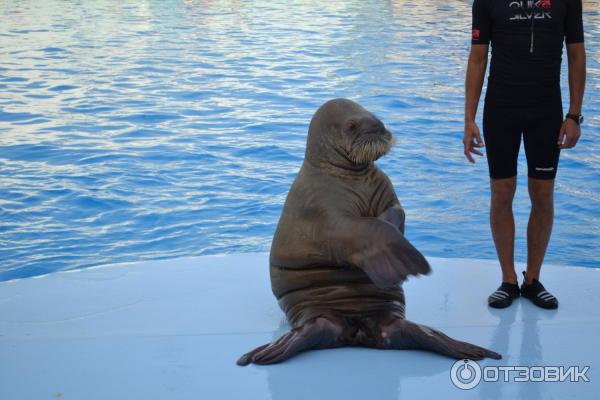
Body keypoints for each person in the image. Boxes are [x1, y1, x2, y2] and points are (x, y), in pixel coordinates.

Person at [463, 0, 586, 309]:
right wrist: (469, 119)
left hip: (545, 111)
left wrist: (574, 115)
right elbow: (478, 58)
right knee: (502, 192)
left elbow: (576, 53)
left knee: (542, 194)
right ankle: (508, 279)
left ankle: (533, 279)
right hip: (500, 109)